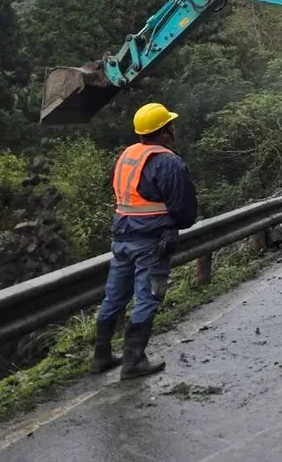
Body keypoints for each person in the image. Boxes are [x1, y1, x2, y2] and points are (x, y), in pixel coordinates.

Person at [90, 102, 198, 380]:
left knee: (114, 297)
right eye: (170, 125)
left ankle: (101, 356)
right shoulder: (167, 161)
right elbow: (183, 209)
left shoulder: (128, 155)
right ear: (164, 130)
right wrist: (177, 225)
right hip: (152, 242)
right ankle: (134, 361)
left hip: (122, 238)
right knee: (148, 298)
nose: (173, 128)